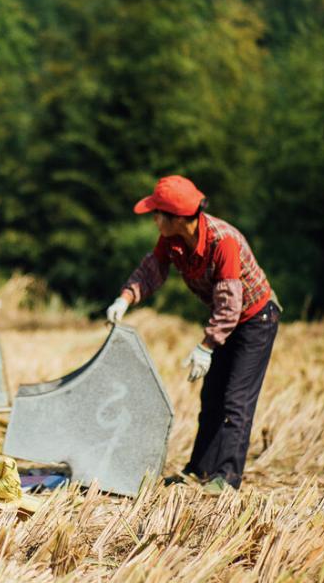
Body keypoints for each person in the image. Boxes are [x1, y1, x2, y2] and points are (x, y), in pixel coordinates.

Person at [105, 175, 280, 494]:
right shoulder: (172, 240)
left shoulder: (222, 241)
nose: (154, 219)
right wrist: (125, 298)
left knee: (235, 399)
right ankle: (198, 469)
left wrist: (205, 346)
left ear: (176, 217)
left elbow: (230, 303)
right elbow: (152, 271)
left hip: (256, 319)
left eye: (157, 213)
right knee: (211, 396)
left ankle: (226, 479)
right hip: (226, 319)